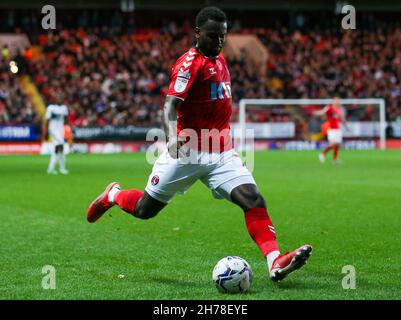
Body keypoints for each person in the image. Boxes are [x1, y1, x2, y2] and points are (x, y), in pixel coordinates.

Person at [87, 7, 312, 282]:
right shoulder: (188, 64)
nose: (218, 41)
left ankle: (274, 261)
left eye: (222, 36)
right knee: (145, 210)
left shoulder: (220, 61)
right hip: (187, 150)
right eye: (213, 36)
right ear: (197, 33)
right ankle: (113, 195)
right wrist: (171, 137)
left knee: (253, 200)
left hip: (222, 152)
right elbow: (170, 104)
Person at [314, 97, 349, 164]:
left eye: (338, 101)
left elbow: (342, 118)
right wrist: (315, 112)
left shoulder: (338, 110)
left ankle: (335, 159)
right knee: (334, 143)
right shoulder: (329, 108)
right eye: (336, 101)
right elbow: (322, 112)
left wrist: (347, 126)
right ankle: (322, 154)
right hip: (332, 130)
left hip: (337, 129)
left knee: (338, 144)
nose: (338, 102)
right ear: (333, 102)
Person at [45, 97, 70, 175]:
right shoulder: (51, 108)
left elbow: (66, 120)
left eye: (61, 97)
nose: (59, 99)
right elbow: (47, 120)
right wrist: (46, 132)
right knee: (60, 147)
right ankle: (57, 168)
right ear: (54, 99)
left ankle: (54, 168)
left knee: (59, 150)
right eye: (58, 98)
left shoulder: (64, 108)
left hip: (60, 131)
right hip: (53, 130)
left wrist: (68, 131)